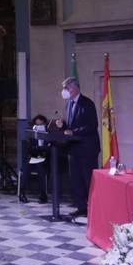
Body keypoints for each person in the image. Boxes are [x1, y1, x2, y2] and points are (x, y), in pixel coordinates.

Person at [53, 76, 100, 220]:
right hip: (73, 149)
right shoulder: (68, 104)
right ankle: (81, 208)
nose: (64, 91)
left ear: (75, 88)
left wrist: (74, 131)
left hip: (87, 148)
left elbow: (92, 125)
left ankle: (94, 209)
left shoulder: (87, 103)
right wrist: (63, 125)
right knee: (75, 180)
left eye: (66, 88)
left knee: (88, 180)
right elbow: (71, 127)